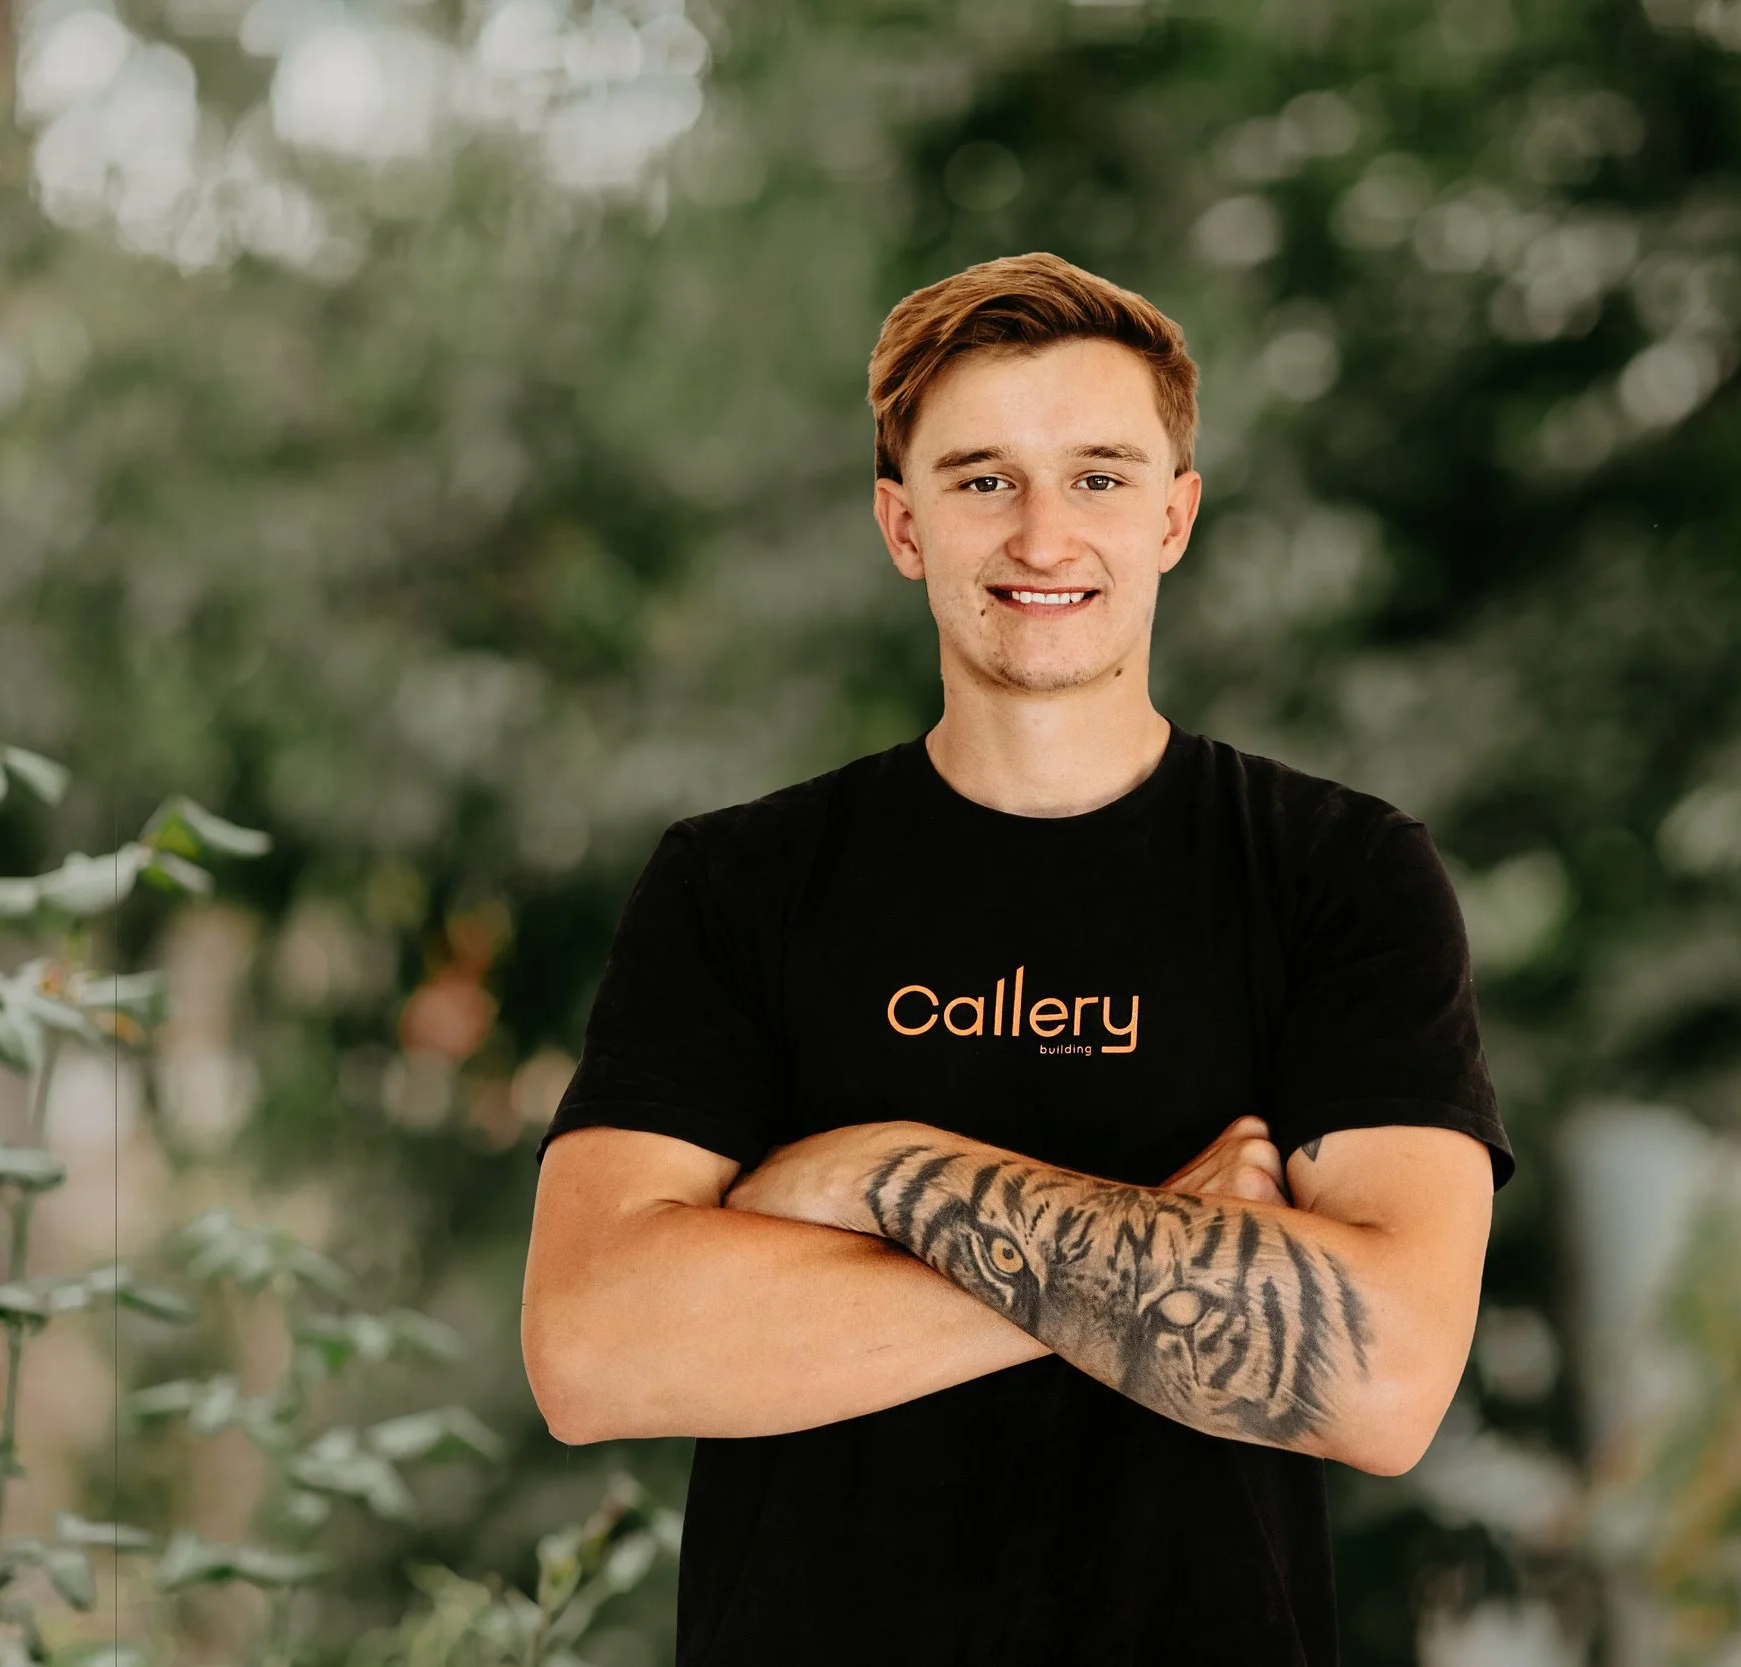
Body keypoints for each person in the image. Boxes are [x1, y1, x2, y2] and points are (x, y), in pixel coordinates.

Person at [520, 251, 1515, 1667]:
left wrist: (868, 1180)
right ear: (901, 523)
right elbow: (592, 1349)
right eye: (983, 479)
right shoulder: (737, 880)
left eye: (1100, 478)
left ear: (1174, 515)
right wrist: (1167, 1249)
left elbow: (1386, 1373)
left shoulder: (1338, 875)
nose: (1045, 535)